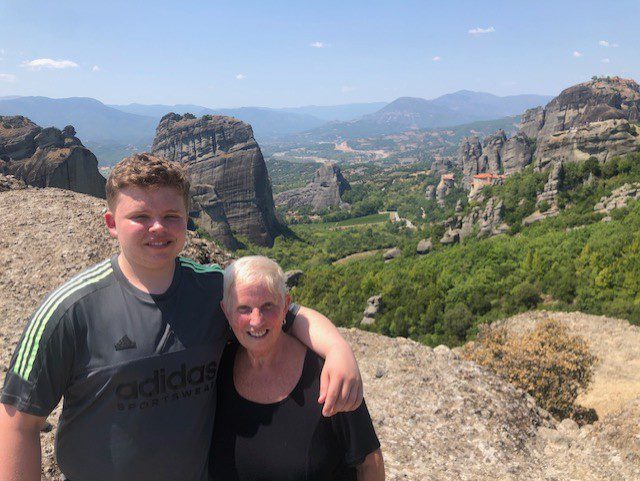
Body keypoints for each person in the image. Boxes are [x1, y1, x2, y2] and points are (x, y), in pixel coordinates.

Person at [0, 153, 363, 481]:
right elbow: (18, 423)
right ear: (111, 223)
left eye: (171, 216)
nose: (158, 228)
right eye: (140, 217)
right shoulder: (70, 310)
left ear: (187, 220)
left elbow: (284, 311)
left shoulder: (212, 290)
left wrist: (337, 350)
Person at [211, 256, 385, 481]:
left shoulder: (325, 375)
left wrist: (337, 347)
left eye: (268, 307)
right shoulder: (218, 368)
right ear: (226, 311)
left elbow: (369, 461)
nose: (256, 321)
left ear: (285, 306)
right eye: (244, 309)